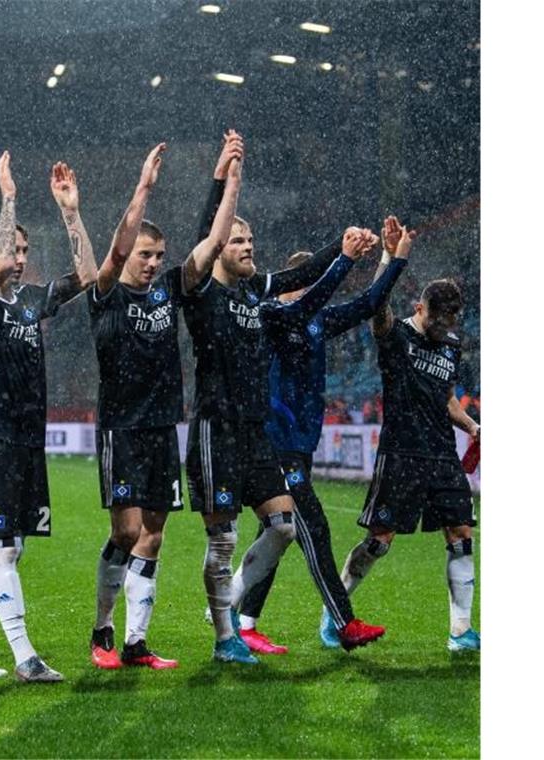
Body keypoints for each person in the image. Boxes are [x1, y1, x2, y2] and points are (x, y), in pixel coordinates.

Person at [182, 150, 372, 664]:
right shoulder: (198, 289)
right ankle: (226, 637)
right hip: (215, 429)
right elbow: (207, 233)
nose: (248, 247)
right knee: (221, 541)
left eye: (250, 240)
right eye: (238, 240)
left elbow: (303, 277)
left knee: (285, 527)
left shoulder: (254, 292)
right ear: (218, 247)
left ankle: (234, 612)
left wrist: (344, 245)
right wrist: (224, 182)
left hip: (256, 433)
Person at [86, 133, 243, 671]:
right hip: (120, 428)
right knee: (125, 532)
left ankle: (135, 642)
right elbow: (116, 244)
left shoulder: (168, 290)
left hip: (160, 427)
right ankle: (101, 631)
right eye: (145, 255)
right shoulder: (106, 294)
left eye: (157, 256)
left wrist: (227, 180)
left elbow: (214, 240)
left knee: (153, 534)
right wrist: (144, 187)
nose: (152, 263)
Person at [234, 217, 413, 652]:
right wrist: (342, 261)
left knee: (275, 532)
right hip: (274, 439)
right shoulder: (273, 313)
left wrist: (393, 257)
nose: (307, 295)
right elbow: (302, 307)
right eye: (303, 286)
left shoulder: (317, 321)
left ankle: (239, 616)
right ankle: (343, 621)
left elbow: (370, 302)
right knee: (312, 525)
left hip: (301, 440)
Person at [0, 152, 96, 682]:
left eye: (26, 250)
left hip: (27, 438)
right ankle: (24, 656)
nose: (20, 256)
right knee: (2, 550)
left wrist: (70, 212)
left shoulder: (32, 301)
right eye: (13, 247)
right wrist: (9, 197)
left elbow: (87, 275)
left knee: (12, 549)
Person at [332, 227, 480, 653]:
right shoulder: (396, 336)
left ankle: (461, 631)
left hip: (441, 456)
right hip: (400, 455)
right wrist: (389, 258)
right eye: (438, 320)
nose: (445, 329)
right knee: (379, 542)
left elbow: (447, 397)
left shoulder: (449, 342)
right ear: (420, 308)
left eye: (452, 323)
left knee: (461, 533)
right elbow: (376, 305)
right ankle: (337, 612)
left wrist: (472, 427)